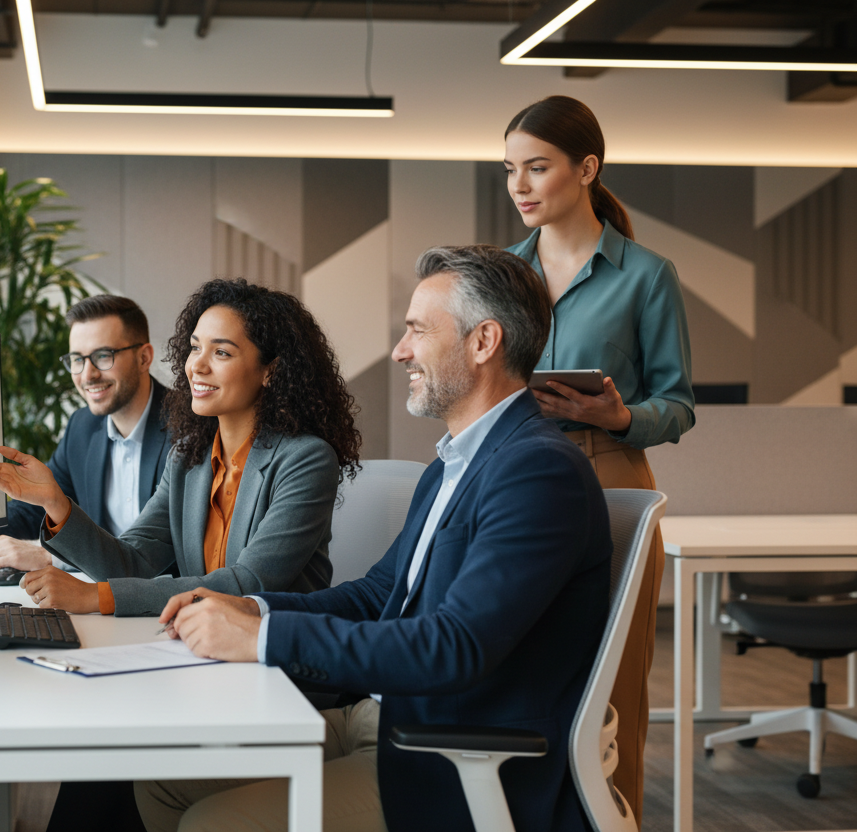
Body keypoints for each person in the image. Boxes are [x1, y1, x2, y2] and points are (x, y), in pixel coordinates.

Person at [137, 246, 613, 832]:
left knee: (217, 823)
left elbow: (454, 646)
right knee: (156, 780)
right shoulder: (452, 465)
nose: (400, 350)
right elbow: (376, 595)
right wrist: (250, 606)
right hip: (383, 717)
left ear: (483, 342)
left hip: (452, 752)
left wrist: (265, 638)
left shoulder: (538, 471)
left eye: (417, 331)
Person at [503, 94, 694, 824]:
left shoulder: (647, 276)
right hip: (518, 478)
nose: (520, 185)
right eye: (511, 170)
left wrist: (621, 416)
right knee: (523, 665)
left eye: (538, 167)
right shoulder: (501, 276)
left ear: (586, 169)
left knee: (615, 686)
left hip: (610, 479)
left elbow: (678, 404)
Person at [0, 278, 361, 616]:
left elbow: (247, 582)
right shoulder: (189, 456)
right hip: (197, 651)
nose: (196, 366)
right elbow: (132, 560)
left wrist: (94, 596)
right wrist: (55, 503)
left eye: (221, 352)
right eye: (194, 347)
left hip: (276, 667)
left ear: (271, 371)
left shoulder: (306, 460)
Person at [0, 294, 170, 576]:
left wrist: (51, 557)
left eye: (102, 356)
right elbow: (41, 503)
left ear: (144, 357)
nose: (87, 375)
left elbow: (163, 556)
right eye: (77, 359)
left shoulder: (189, 430)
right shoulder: (82, 427)